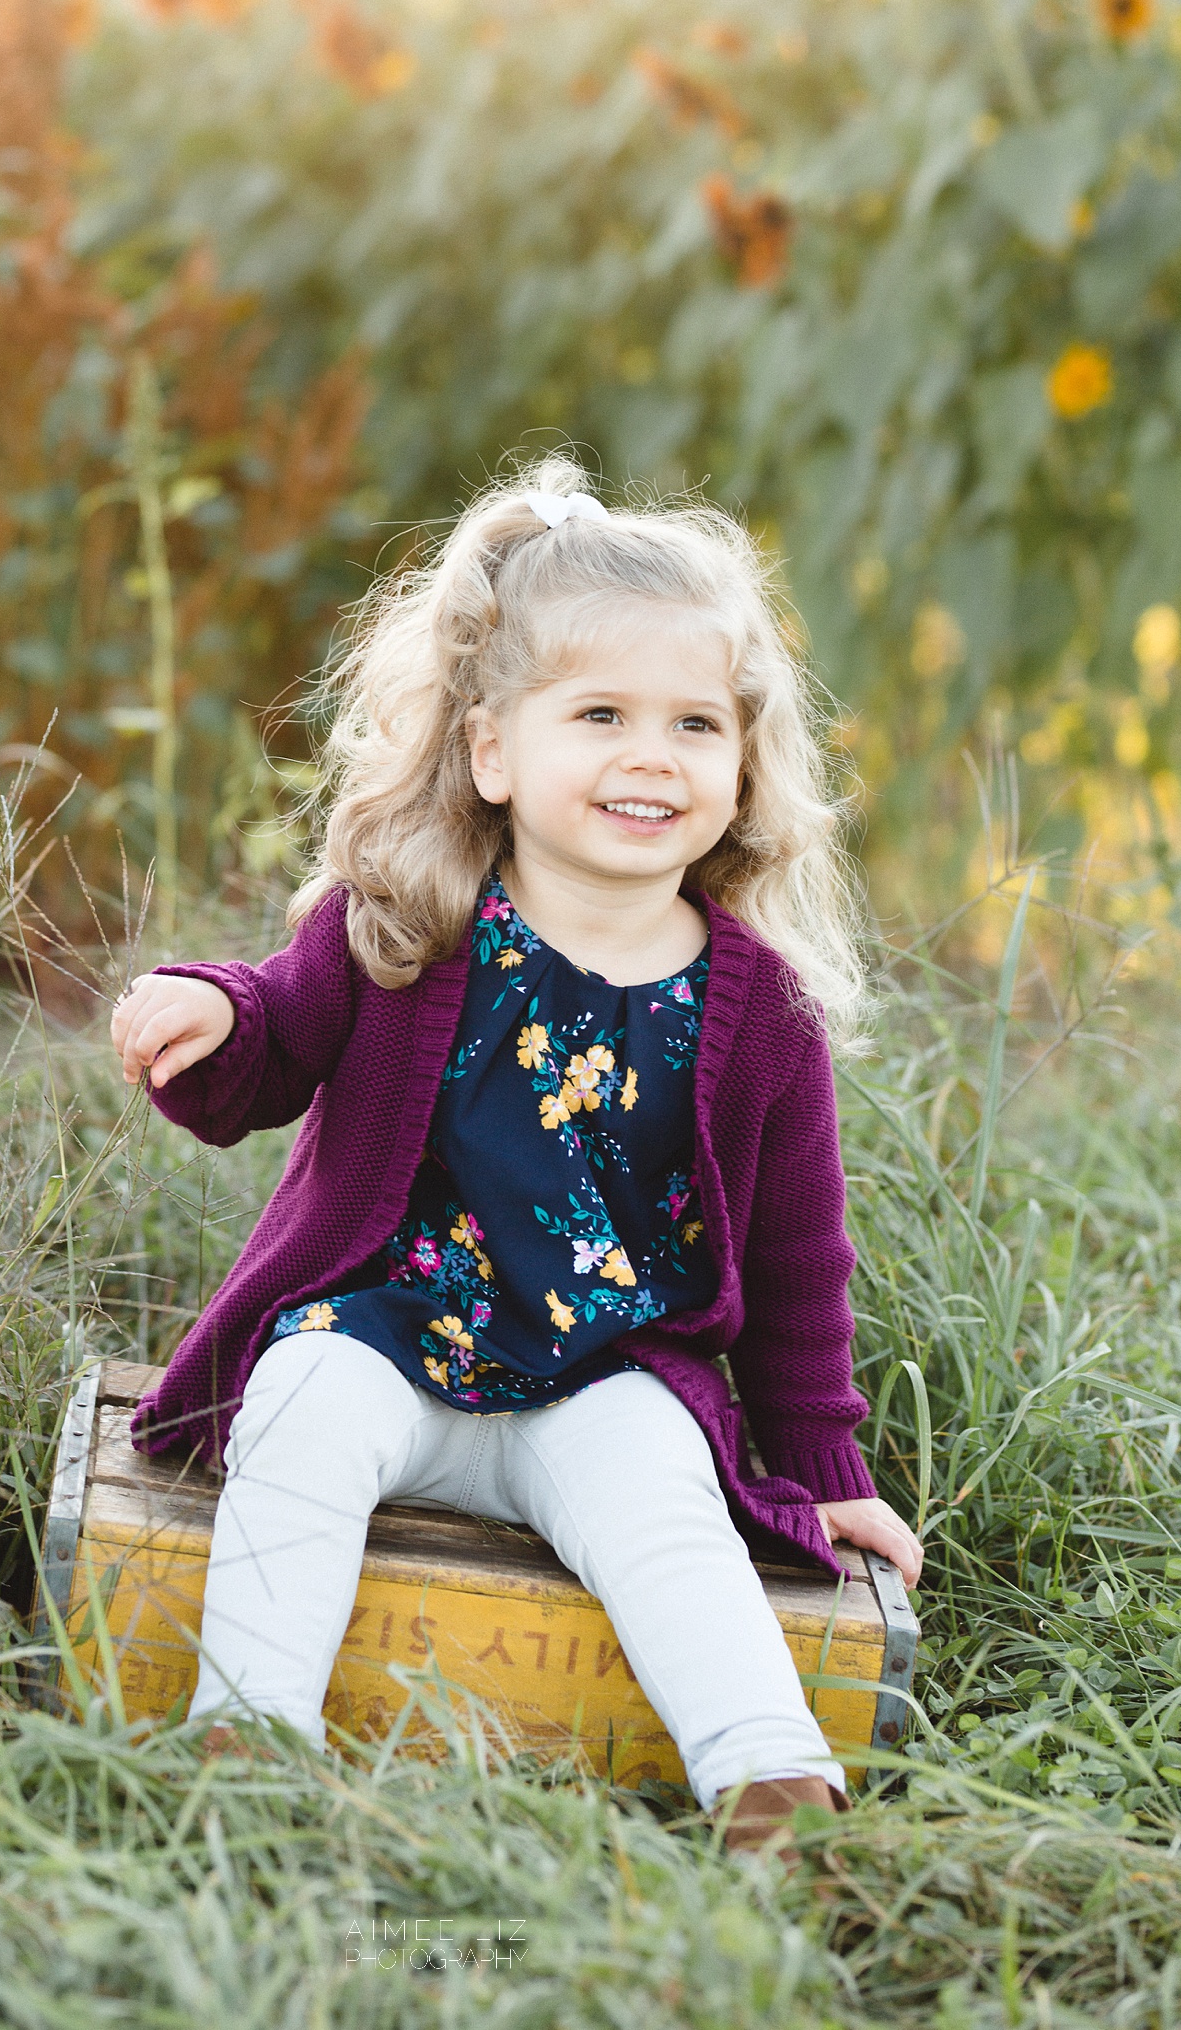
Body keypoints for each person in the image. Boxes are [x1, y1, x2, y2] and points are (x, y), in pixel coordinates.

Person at [111, 463, 923, 1855]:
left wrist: (823, 1458)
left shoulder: (760, 1010)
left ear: (742, 762)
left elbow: (800, 1258)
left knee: (666, 1500)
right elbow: (278, 1033)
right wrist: (212, 1014)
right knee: (292, 1417)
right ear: (494, 749)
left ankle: (770, 1778)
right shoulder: (408, 923)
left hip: (600, 1376)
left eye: (695, 723)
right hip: (381, 1327)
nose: (652, 754)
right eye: (600, 715)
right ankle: (250, 1748)